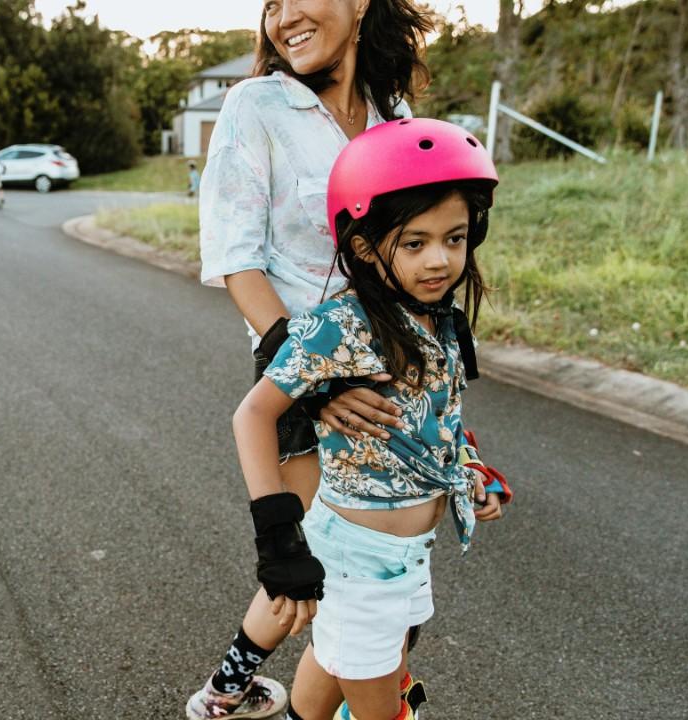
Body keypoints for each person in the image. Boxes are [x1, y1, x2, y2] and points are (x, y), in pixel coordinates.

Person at [188, 1, 437, 718]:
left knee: (378, 577)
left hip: (393, 377)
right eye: (271, 3)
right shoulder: (256, 105)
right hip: (296, 371)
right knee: (316, 564)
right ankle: (242, 691)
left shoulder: (394, 116)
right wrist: (312, 379)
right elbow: (237, 261)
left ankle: (248, 692)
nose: (284, 16)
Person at [241, 118, 507, 720]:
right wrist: (279, 541)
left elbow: (433, 422)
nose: (440, 260)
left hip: (410, 554)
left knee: (328, 680)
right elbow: (253, 415)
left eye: (456, 238)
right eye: (414, 243)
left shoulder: (437, 319)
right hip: (361, 562)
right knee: (383, 710)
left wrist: (471, 472)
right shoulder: (341, 325)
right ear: (363, 246)